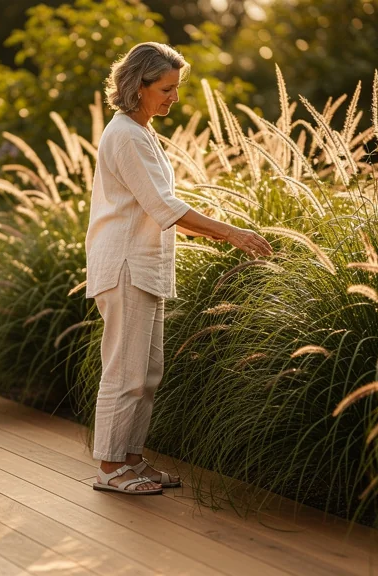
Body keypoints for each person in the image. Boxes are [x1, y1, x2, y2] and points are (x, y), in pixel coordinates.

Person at [85, 42, 273, 495]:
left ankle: (132, 459)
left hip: (144, 266)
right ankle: (110, 468)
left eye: (175, 89)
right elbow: (162, 205)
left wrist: (218, 233)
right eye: (166, 89)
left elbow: (160, 210)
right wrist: (231, 232)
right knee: (124, 373)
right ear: (139, 86)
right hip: (125, 266)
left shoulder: (142, 131)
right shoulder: (126, 135)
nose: (173, 97)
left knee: (147, 374)